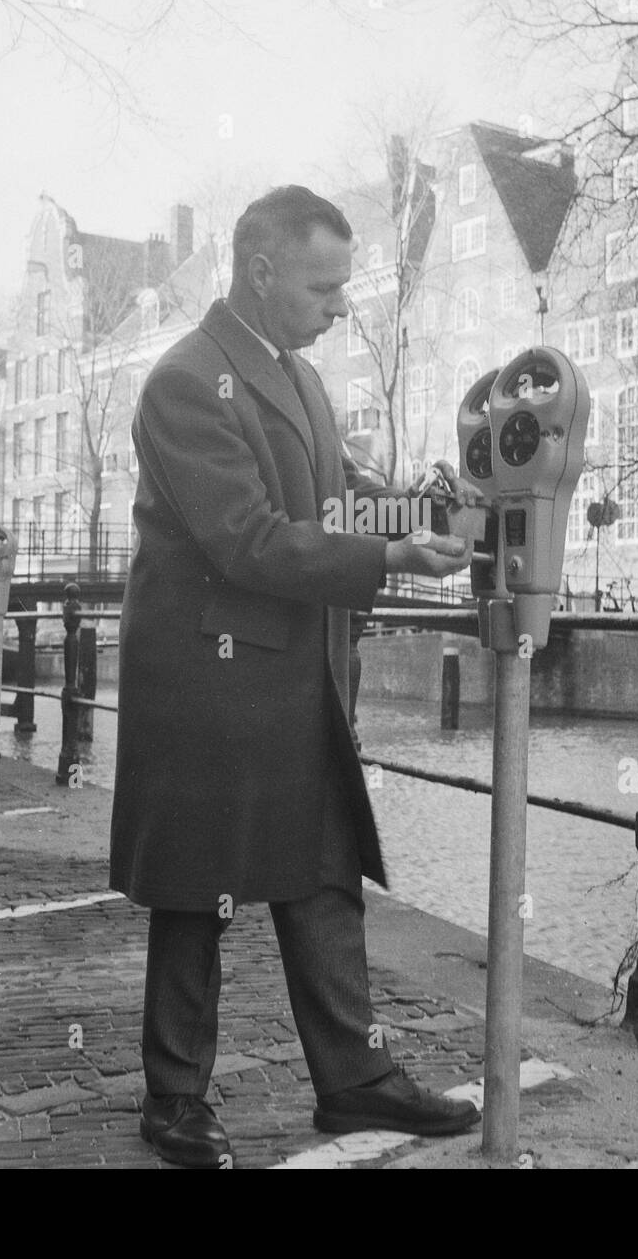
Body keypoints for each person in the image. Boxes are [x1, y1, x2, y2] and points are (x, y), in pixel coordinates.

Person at [110, 185, 483, 1168]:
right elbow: (247, 542)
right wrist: (394, 559)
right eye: (324, 286)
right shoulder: (186, 381)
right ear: (262, 271)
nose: (339, 305)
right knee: (200, 891)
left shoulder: (302, 381)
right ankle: (175, 1098)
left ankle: (354, 1078)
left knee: (323, 874)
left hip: (295, 677)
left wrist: (424, 512)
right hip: (210, 685)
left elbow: (337, 504)